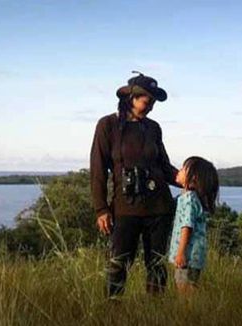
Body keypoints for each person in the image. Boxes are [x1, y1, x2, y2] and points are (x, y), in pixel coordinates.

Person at [90, 71, 182, 298]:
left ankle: (156, 313)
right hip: (125, 207)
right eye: (147, 100)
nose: (150, 106)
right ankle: (113, 311)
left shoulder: (153, 128)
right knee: (118, 263)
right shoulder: (108, 125)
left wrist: (186, 179)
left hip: (159, 207)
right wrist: (101, 209)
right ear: (131, 98)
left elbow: (164, 166)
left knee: (157, 265)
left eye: (153, 102)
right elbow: (98, 169)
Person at [168, 156, 220, 294]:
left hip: (187, 255)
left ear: (193, 178)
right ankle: (192, 309)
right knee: (189, 285)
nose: (178, 171)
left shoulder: (189, 199)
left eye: (183, 169)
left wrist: (180, 253)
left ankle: (190, 311)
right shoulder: (190, 198)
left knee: (184, 287)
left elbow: (187, 226)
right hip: (195, 254)